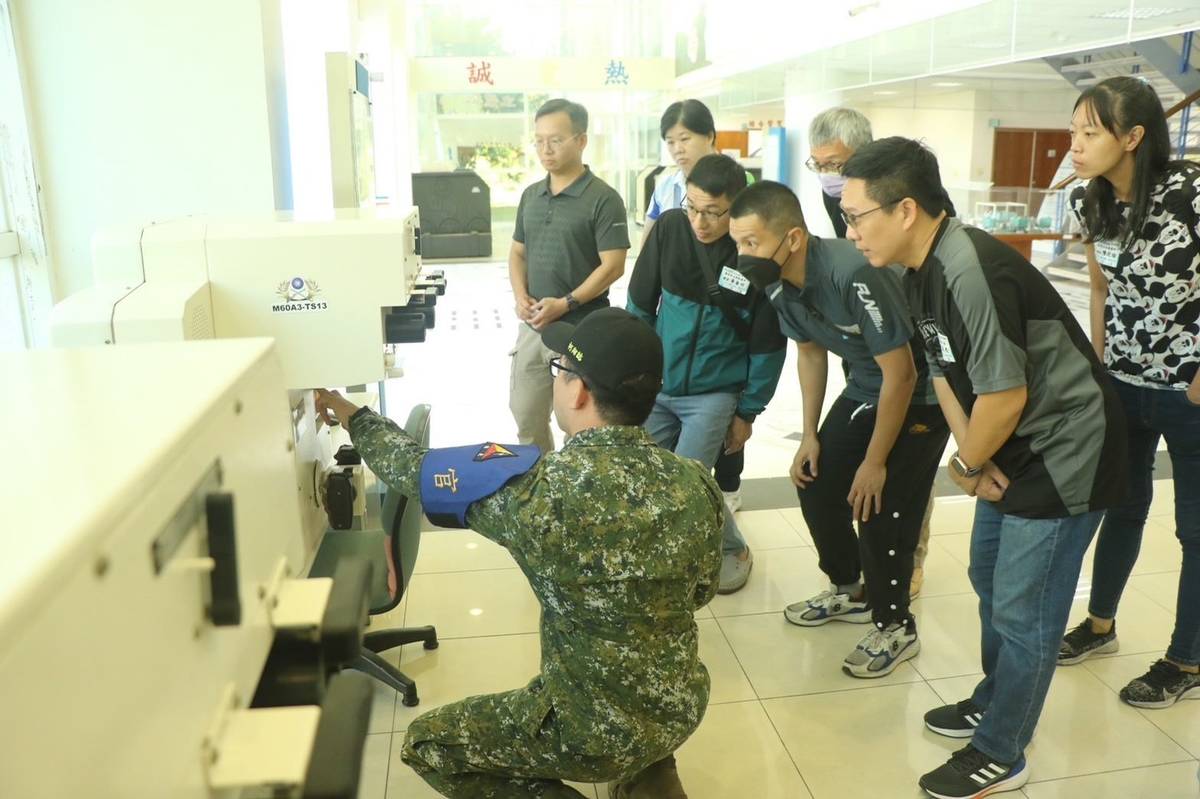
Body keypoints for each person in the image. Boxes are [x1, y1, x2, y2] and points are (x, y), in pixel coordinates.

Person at [314, 307, 723, 799]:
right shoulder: (696, 483)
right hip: (680, 706)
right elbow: (701, 591)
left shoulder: (539, 494)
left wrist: (351, 413)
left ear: (578, 390)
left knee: (428, 744)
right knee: (638, 702)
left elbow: (413, 470)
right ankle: (650, 774)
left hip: (592, 730)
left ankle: (634, 769)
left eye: (560, 370)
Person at [840, 136, 1127, 798]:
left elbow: (1006, 393)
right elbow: (942, 369)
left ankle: (1003, 746)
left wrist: (966, 465)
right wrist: (974, 459)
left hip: (1066, 444)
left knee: (1027, 607)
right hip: (1010, 439)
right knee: (986, 571)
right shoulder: (917, 269)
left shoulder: (972, 270)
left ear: (905, 208)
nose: (850, 231)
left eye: (857, 215)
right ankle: (996, 697)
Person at [728, 180, 949, 677]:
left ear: (793, 239)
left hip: (923, 395)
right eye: (737, 243)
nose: (743, 256)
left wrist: (873, 464)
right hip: (869, 385)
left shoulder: (853, 275)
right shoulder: (776, 281)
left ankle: (896, 626)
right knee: (816, 481)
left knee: (879, 506)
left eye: (751, 243)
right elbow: (809, 350)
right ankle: (849, 588)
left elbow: (904, 373)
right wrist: (810, 434)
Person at [1056, 76, 1200, 708]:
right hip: (1124, 380)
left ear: (1133, 136)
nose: (1077, 145)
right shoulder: (1090, 202)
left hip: (1190, 386)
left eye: (1090, 133)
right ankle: (1101, 622)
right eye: (1074, 132)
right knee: (1123, 503)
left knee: (1195, 529)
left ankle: (1186, 659)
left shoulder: (1192, 190)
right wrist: (1100, 366)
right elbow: (1099, 288)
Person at [628, 154, 785, 593]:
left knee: (689, 480)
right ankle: (660, 550)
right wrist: (636, 378)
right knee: (645, 471)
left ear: (736, 207)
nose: (699, 221)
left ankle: (730, 548)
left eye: (713, 212)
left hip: (714, 392)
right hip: (659, 384)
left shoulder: (754, 251)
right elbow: (640, 305)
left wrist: (748, 412)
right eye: (692, 207)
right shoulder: (670, 231)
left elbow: (768, 344)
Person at [808, 105, 936, 600]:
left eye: (836, 164)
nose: (829, 176)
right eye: (818, 165)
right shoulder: (834, 199)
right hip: (868, 358)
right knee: (853, 471)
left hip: (917, 355)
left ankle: (909, 563)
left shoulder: (896, 196)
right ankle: (862, 571)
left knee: (906, 474)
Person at [645, 98, 754, 512]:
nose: (677, 148)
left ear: (710, 136)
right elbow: (655, 234)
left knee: (715, 447)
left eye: (685, 138)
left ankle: (727, 495)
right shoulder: (668, 185)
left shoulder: (739, 187)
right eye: (670, 140)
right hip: (677, 320)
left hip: (720, 343)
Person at [509, 98, 630, 454]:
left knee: (582, 424)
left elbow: (613, 265)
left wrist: (566, 303)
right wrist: (520, 296)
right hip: (533, 328)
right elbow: (518, 252)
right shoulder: (531, 195)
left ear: (581, 140)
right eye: (539, 140)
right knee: (526, 417)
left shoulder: (603, 199)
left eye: (556, 140)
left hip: (583, 328)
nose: (545, 149)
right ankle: (543, 488)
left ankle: (578, 496)